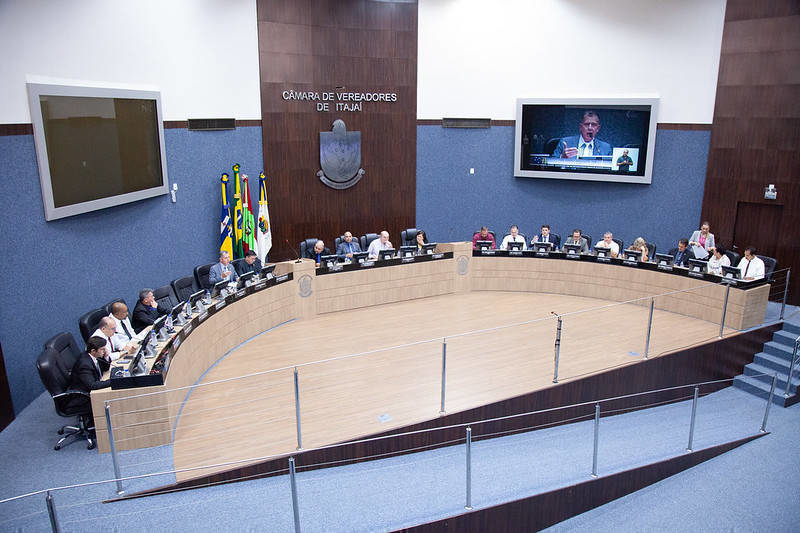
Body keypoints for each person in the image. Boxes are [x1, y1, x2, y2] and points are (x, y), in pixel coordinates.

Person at [65, 336, 112, 418]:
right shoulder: (85, 364)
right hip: (83, 396)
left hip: (90, 387)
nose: (105, 351)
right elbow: (92, 385)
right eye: (102, 349)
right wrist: (112, 381)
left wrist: (106, 357)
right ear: (93, 351)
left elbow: (105, 368)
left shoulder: (93, 356)